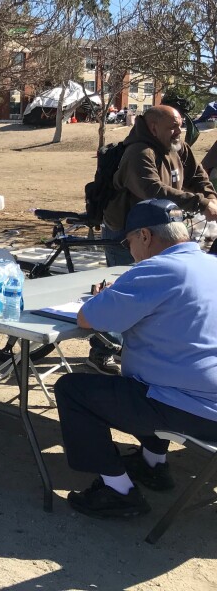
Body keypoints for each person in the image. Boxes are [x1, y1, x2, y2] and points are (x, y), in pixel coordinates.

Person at [55, 199, 217, 519]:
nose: (130, 251)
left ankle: (118, 490)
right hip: (202, 396)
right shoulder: (211, 263)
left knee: (73, 390)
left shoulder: (157, 268)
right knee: (143, 378)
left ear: (144, 235)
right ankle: (152, 465)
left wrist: (107, 295)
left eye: (128, 242)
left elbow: (89, 317)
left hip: (192, 407)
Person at [92, 105, 217, 374]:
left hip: (159, 232)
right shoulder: (139, 152)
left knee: (154, 292)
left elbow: (198, 175)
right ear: (153, 127)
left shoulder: (178, 147)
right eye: (173, 125)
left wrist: (210, 196)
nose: (179, 129)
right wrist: (200, 203)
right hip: (128, 231)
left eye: (181, 124)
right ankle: (102, 350)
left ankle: (135, 348)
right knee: (126, 288)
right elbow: (152, 190)